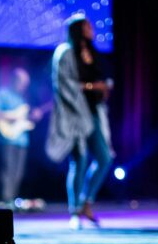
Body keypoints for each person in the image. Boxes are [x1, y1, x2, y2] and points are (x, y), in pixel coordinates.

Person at [46, 15, 114, 229]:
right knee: (80, 160)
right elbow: (63, 84)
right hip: (74, 115)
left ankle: (87, 201)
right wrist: (92, 87)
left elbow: (100, 78)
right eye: (86, 25)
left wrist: (103, 88)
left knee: (104, 157)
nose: (91, 28)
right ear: (77, 29)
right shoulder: (65, 52)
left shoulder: (92, 52)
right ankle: (75, 210)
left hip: (94, 113)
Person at [0, 67, 45, 209]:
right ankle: (5, 200)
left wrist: (35, 116)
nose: (24, 86)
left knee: (18, 172)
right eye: (22, 82)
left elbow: (26, 119)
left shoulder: (23, 98)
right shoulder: (3, 93)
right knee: (8, 170)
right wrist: (12, 116)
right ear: (14, 80)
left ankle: (12, 200)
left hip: (22, 140)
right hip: (8, 138)